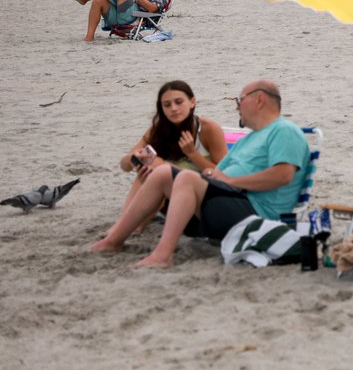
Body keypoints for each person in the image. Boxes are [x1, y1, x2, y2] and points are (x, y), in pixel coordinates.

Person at [89, 79, 310, 268]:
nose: (237, 106)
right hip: (226, 205)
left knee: (186, 178)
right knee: (163, 173)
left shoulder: (284, 131)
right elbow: (217, 173)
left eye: (239, 100)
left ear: (259, 99)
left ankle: (163, 255)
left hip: (255, 213)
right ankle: (113, 240)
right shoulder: (250, 139)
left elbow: (283, 176)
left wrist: (229, 180)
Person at [119, 80, 227, 224]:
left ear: (192, 102)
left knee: (156, 166)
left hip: (201, 195)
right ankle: (129, 225)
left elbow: (224, 175)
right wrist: (134, 158)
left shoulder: (208, 129)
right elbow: (124, 166)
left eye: (179, 102)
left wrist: (192, 154)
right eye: (167, 105)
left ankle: (129, 225)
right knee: (146, 169)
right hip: (168, 195)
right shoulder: (159, 130)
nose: (174, 108)